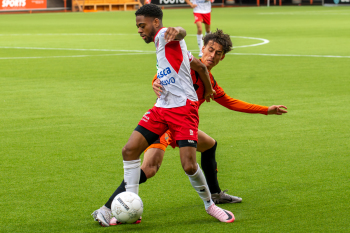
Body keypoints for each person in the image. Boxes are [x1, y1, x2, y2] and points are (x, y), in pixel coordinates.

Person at [92, 4, 235, 227]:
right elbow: (199, 65)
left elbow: (180, 32)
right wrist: (207, 88)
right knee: (129, 150)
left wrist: (177, 30)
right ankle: (131, 205)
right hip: (162, 108)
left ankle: (210, 206)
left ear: (156, 22)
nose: (139, 30)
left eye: (142, 25)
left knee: (188, 165)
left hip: (183, 111)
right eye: (137, 26)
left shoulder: (165, 35)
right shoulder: (162, 43)